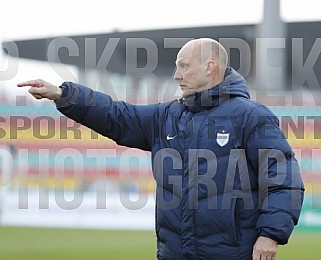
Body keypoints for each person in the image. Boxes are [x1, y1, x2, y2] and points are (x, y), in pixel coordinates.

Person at [17, 38, 304, 260]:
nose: (176, 75)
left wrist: (271, 235)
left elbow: (283, 177)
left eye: (184, 66)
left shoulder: (251, 116)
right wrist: (63, 94)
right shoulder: (165, 116)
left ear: (209, 67)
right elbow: (116, 116)